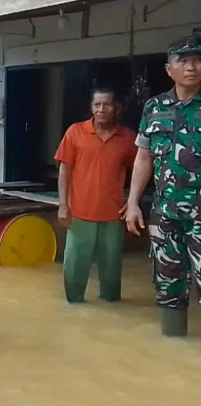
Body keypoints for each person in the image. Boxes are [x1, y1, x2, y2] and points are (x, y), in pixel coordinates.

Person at [126, 36, 201, 337]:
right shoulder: (154, 107)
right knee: (168, 281)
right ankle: (174, 347)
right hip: (165, 212)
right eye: (183, 61)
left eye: (197, 60)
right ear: (169, 69)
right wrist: (133, 203)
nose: (191, 67)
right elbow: (143, 158)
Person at [54, 86, 137, 303]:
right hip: (79, 213)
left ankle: (110, 309)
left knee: (111, 273)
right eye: (96, 104)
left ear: (116, 107)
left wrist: (133, 201)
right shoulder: (75, 132)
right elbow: (65, 169)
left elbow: (142, 169)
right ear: (91, 107)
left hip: (113, 215)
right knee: (74, 269)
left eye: (106, 104)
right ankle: (74, 308)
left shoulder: (128, 138)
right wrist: (63, 205)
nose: (101, 109)